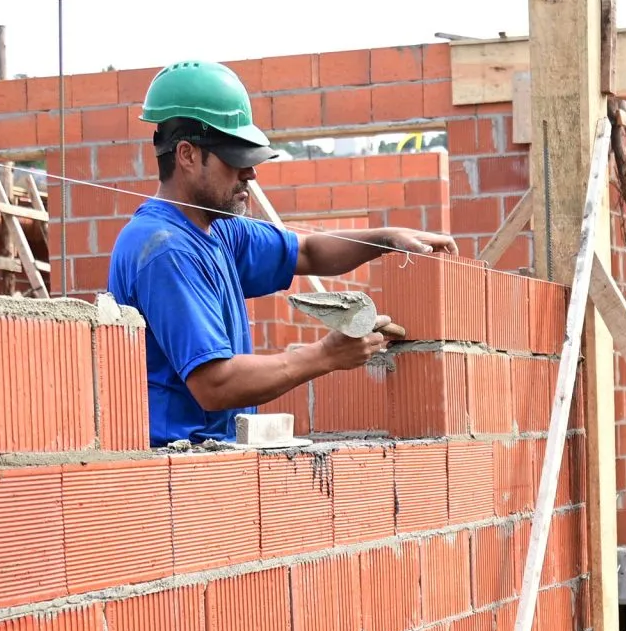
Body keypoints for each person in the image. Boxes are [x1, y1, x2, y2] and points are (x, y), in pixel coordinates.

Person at [107, 60, 456, 444]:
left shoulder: (217, 230)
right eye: (236, 159)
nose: (250, 174)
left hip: (211, 461)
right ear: (187, 155)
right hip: (176, 469)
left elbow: (306, 252)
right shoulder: (165, 249)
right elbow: (214, 383)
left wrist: (387, 239)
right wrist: (327, 355)